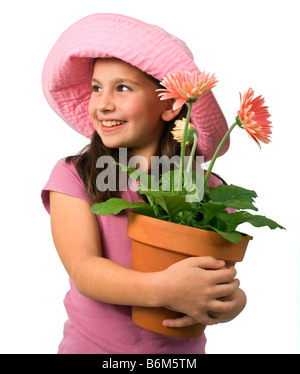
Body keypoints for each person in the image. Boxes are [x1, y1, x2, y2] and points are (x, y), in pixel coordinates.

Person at [41, 13, 246, 354]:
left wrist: (232, 301)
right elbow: (85, 270)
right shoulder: (74, 176)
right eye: (96, 88)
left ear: (170, 105)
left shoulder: (207, 189)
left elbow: (215, 276)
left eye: (122, 88)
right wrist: (163, 289)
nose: (103, 104)